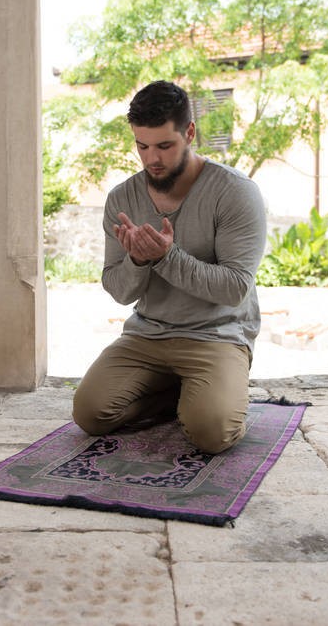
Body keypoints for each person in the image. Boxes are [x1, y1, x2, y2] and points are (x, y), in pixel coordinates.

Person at [72, 80, 267, 454]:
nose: (152, 159)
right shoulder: (122, 198)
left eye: (164, 145)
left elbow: (234, 288)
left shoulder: (235, 192)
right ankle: (175, 398)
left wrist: (166, 257)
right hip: (149, 336)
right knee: (90, 414)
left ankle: (202, 399)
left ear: (189, 132)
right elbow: (119, 291)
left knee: (212, 434)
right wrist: (138, 261)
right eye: (142, 146)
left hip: (218, 334)